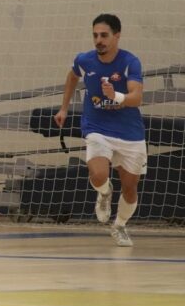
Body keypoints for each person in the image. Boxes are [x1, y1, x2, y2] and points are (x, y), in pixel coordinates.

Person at [54, 14, 145, 247]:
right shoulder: (84, 60)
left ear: (117, 35)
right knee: (98, 174)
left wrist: (117, 96)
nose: (98, 40)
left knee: (130, 188)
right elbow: (72, 76)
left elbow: (137, 98)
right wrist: (64, 108)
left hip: (129, 131)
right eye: (95, 35)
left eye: (104, 35)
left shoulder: (130, 62)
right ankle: (104, 192)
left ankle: (120, 225)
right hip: (97, 126)